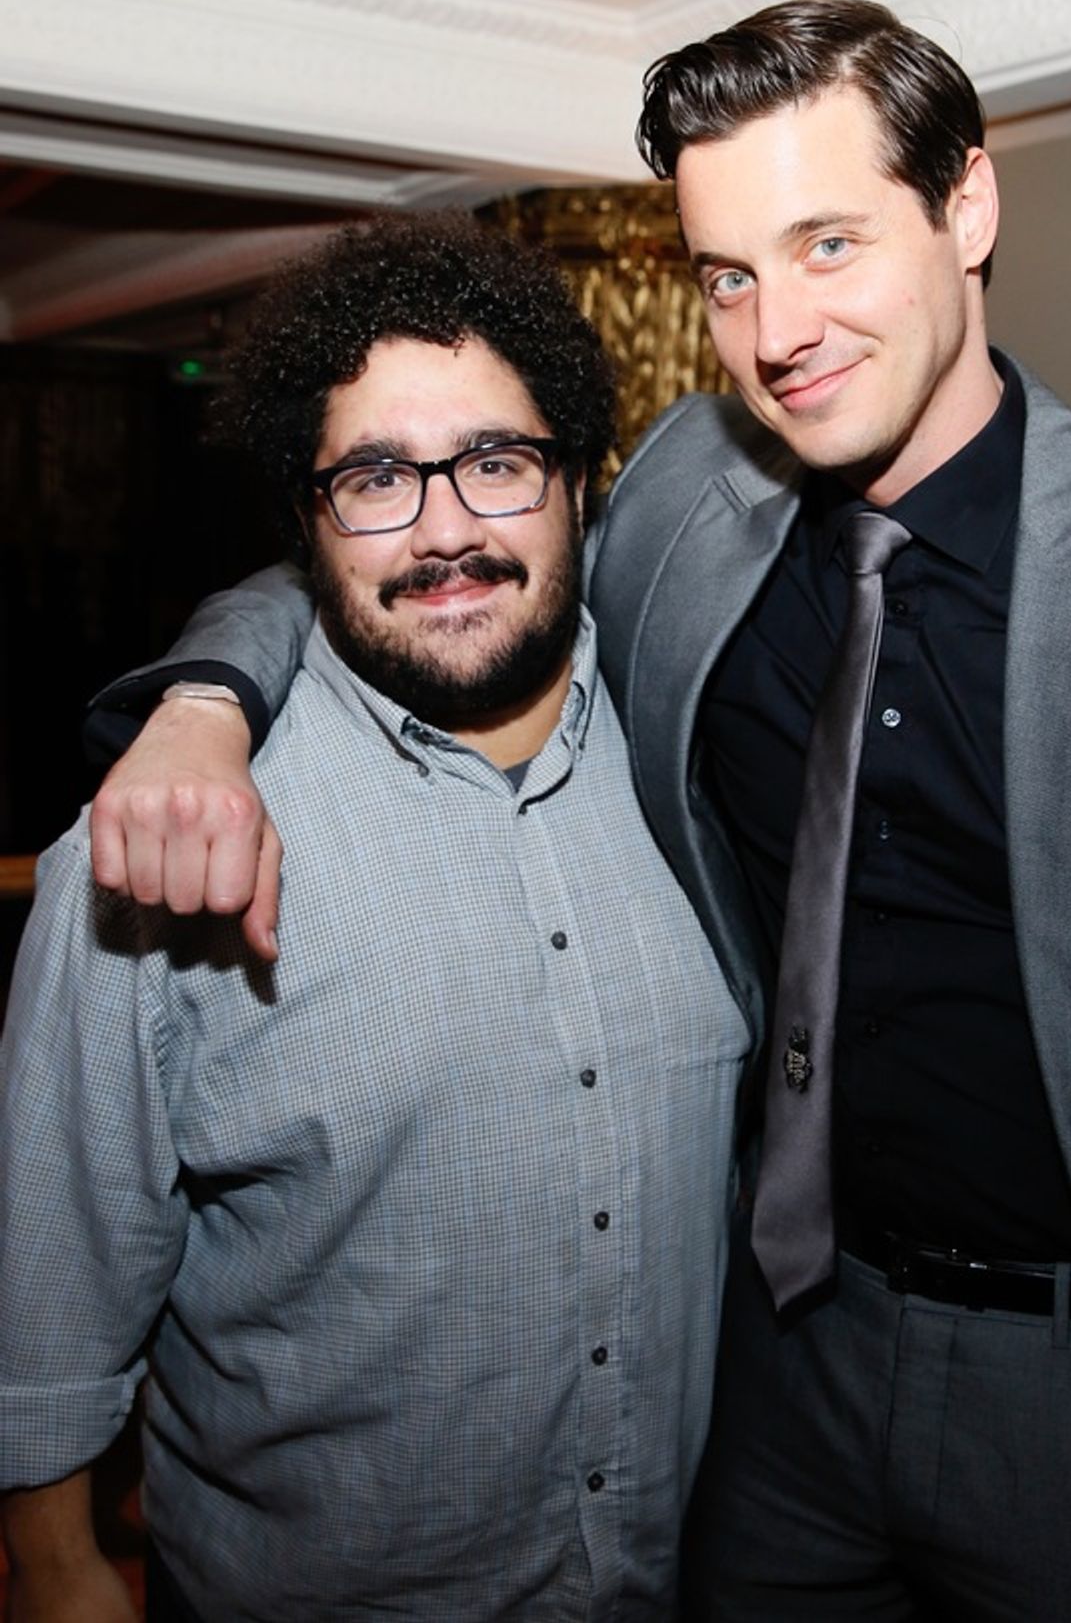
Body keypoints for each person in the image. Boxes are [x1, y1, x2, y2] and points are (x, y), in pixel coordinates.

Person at [72, 0, 1071, 1620]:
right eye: (728, 275)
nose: (775, 330)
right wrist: (198, 706)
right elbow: (422, 556)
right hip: (785, 1363)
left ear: (967, 207)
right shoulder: (691, 496)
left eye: (826, 244)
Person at [0, 212, 750, 1623]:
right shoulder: (163, 862)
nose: (446, 530)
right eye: (375, 478)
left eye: (496, 462)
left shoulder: (709, 748)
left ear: (576, 486)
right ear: (305, 518)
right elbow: (51, 1275)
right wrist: (58, 1571)